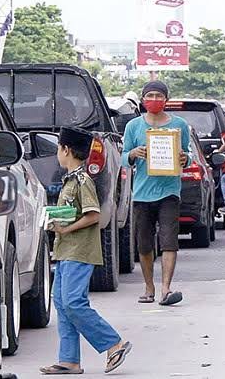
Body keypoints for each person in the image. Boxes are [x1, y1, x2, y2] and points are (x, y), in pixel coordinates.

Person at [41, 126, 131, 375]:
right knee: (61, 303)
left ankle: (113, 344)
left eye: (59, 149)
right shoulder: (70, 180)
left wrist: (66, 230)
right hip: (65, 250)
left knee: (73, 303)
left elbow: (93, 215)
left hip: (78, 251)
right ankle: (69, 360)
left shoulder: (82, 181)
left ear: (66, 150)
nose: (58, 154)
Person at [122, 81, 190, 306]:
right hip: (142, 193)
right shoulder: (133, 126)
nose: (154, 99)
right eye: (149, 95)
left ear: (166, 99)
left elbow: (187, 155)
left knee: (169, 241)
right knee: (144, 244)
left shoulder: (180, 125)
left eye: (158, 95)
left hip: (169, 191)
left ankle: (165, 289)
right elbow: (124, 157)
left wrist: (184, 158)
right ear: (143, 99)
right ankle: (149, 286)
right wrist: (133, 153)